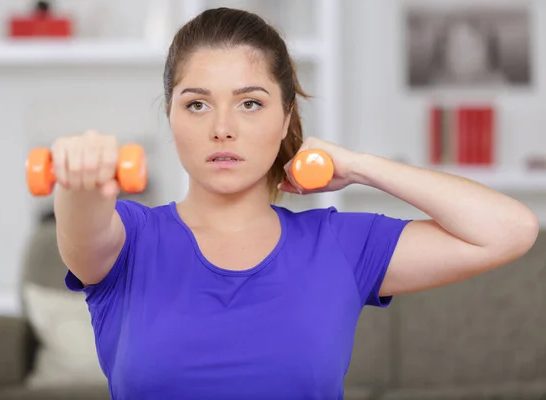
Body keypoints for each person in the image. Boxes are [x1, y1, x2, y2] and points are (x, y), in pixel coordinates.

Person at [51, 7, 538, 400]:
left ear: (286, 120)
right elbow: (83, 227)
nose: (223, 126)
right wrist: (77, 179)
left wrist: (363, 165)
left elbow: (510, 230)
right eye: (197, 103)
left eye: (251, 103)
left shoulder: (341, 244)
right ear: (171, 117)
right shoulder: (129, 241)